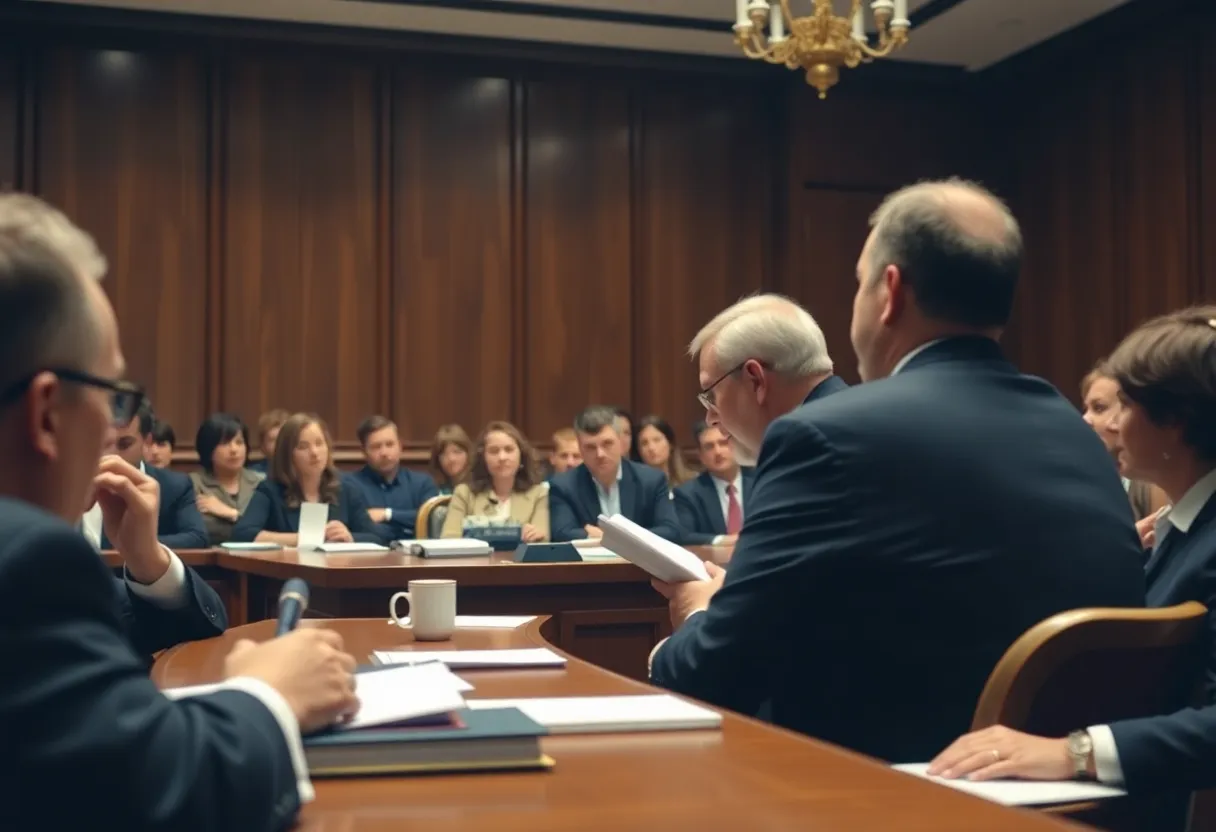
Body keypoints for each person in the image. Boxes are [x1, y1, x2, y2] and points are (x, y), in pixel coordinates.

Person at [649, 180, 1146, 764]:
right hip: (1077, 792)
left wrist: (699, 608)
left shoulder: (824, 436)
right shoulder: (1072, 427)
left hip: (890, 792)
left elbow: (714, 675)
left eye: (858, 283)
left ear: (889, 292)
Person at [0, 193, 359, 830]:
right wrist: (268, 693)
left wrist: (146, 562)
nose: (114, 429)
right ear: (49, 413)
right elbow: (154, 795)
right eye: (112, 395)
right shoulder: (27, 558)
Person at [930, 307, 1216, 830]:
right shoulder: (1181, 526)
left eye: (1125, 404)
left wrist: (1076, 753)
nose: (1109, 424)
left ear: (1175, 420)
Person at [231, 413, 383, 546]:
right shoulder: (270, 490)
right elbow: (243, 534)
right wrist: (304, 539)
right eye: (303, 447)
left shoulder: (346, 489)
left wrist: (350, 537)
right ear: (288, 454)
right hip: (289, 573)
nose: (315, 453)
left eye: (319, 444)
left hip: (336, 574)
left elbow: (376, 538)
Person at [84, 399, 209, 551]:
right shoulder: (66, 484)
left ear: (147, 441)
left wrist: (140, 544)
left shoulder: (174, 486)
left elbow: (197, 538)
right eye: (103, 443)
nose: (111, 455)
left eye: (124, 445)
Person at [549, 405, 682, 542]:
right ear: (581, 449)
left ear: (621, 442)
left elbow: (671, 530)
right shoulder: (564, 486)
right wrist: (589, 535)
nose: (600, 454)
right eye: (590, 447)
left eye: (607, 444)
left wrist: (617, 537)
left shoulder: (651, 480)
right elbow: (561, 532)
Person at [1081, 360, 1169, 525]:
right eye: (1085, 409)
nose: (1085, 419)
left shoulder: (1152, 481)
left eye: (1099, 408)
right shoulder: (1090, 476)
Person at [441, 421, 549, 541]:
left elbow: (542, 542)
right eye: (493, 451)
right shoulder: (464, 494)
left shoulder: (539, 494)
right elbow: (449, 541)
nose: (502, 457)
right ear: (483, 458)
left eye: (509, 450)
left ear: (521, 456)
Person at [347, 415, 438, 541]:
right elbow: (356, 527)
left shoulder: (422, 483)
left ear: (400, 446)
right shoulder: (350, 485)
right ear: (364, 451)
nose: (384, 453)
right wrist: (406, 527)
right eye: (376, 447)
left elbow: (431, 520)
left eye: (389, 444)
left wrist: (387, 515)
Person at [674, 421, 755, 546]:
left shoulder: (760, 481)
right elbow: (684, 535)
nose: (717, 452)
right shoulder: (688, 494)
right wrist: (724, 540)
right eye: (709, 446)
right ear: (701, 456)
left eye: (723, 443)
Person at [189, 412, 264, 545]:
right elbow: (202, 530)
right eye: (225, 443)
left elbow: (271, 530)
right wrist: (248, 527)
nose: (234, 449)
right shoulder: (192, 485)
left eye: (239, 442)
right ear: (208, 447)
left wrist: (231, 513)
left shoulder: (262, 483)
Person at [635, 415, 695, 489]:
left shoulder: (692, 482)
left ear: (670, 444)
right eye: (644, 443)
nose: (651, 448)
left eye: (657, 440)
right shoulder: (634, 486)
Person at [430, 423, 472, 495]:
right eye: (444, 454)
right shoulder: (432, 490)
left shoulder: (479, 488)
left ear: (468, 454)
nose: (451, 459)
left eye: (457, 452)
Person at [248, 408, 288, 475]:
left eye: (283, 438)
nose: (279, 444)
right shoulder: (253, 474)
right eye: (273, 440)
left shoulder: (302, 470)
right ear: (263, 446)